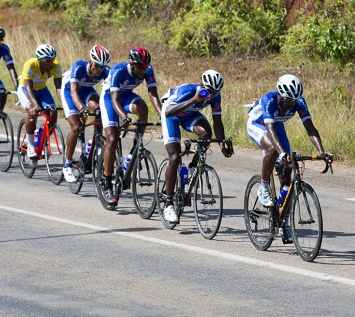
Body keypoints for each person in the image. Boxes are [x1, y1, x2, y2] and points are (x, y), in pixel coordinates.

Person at [246, 74, 331, 242]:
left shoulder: (299, 102)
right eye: (287, 101)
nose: (291, 104)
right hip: (259, 124)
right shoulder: (269, 100)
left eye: (294, 100)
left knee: (288, 181)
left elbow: (310, 128)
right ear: (280, 94)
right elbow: (269, 128)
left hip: (277, 126)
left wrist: (322, 151)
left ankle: (284, 223)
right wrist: (282, 153)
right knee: (273, 150)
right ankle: (263, 186)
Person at [160, 70, 233, 223]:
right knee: (174, 157)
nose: (212, 96)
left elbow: (217, 122)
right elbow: (167, 112)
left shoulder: (215, 96)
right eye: (209, 92)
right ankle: (168, 204)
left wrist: (222, 144)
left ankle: (193, 167)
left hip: (189, 116)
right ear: (201, 86)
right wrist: (194, 100)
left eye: (216, 92)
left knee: (206, 134)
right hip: (172, 117)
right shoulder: (188, 91)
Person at [99, 46, 162, 205]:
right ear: (132, 64)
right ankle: (107, 184)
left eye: (146, 67)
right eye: (141, 67)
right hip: (110, 99)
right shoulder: (118, 70)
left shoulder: (148, 70)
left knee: (142, 108)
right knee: (112, 140)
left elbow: (153, 94)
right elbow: (114, 100)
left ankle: (135, 150)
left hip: (126, 97)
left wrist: (163, 116)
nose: (144, 70)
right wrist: (123, 116)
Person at [61, 45, 111, 183]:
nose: (99, 70)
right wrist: (80, 107)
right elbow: (74, 92)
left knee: (99, 109)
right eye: (97, 66)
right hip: (70, 92)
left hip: (87, 90)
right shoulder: (79, 67)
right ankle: (67, 164)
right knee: (76, 127)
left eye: (102, 66)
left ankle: (98, 140)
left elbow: (110, 92)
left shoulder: (105, 71)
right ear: (90, 61)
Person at [17, 43, 62, 158]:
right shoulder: (30, 64)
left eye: (52, 60)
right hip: (26, 90)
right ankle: (31, 145)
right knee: (32, 113)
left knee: (53, 113)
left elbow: (59, 87)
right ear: (39, 59)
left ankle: (41, 136)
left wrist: (64, 103)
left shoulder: (55, 66)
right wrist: (35, 104)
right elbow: (28, 87)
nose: (50, 63)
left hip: (42, 90)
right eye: (47, 61)